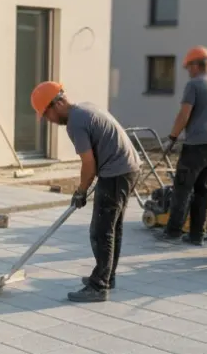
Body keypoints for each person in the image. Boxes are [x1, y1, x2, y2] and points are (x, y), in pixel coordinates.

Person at [31, 81, 140, 303]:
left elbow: (88, 164)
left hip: (116, 172)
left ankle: (99, 286)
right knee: (112, 227)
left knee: (101, 231)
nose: (50, 121)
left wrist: (81, 191)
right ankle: (107, 276)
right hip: (127, 168)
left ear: (58, 103)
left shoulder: (75, 122)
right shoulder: (85, 109)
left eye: (47, 114)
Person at [162, 45, 207, 245]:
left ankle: (173, 232)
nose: (188, 71)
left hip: (197, 144)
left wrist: (173, 138)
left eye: (188, 67)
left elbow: (184, 114)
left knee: (182, 187)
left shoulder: (194, 85)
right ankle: (196, 235)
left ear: (195, 65)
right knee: (203, 189)